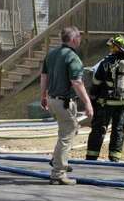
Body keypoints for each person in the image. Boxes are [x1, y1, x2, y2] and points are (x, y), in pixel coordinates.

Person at [40, 26, 94, 185]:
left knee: (69, 130)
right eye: (79, 37)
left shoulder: (51, 54)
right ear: (73, 39)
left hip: (52, 99)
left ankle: (57, 160)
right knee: (67, 133)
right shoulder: (72, 57)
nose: (80, 40)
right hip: (64, 102)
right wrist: (88, 103)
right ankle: (58, 172)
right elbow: (77, 82)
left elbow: (44, 76)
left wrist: (43, 96)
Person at [85, 35, 124, 162]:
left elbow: (96, 85)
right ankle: (114, 158)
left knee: (99, 130)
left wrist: (93, 102)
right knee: (118, 130)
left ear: (114, 48)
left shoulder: (104, 64)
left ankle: (91, 157)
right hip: (122, 105)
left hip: (104, 104)